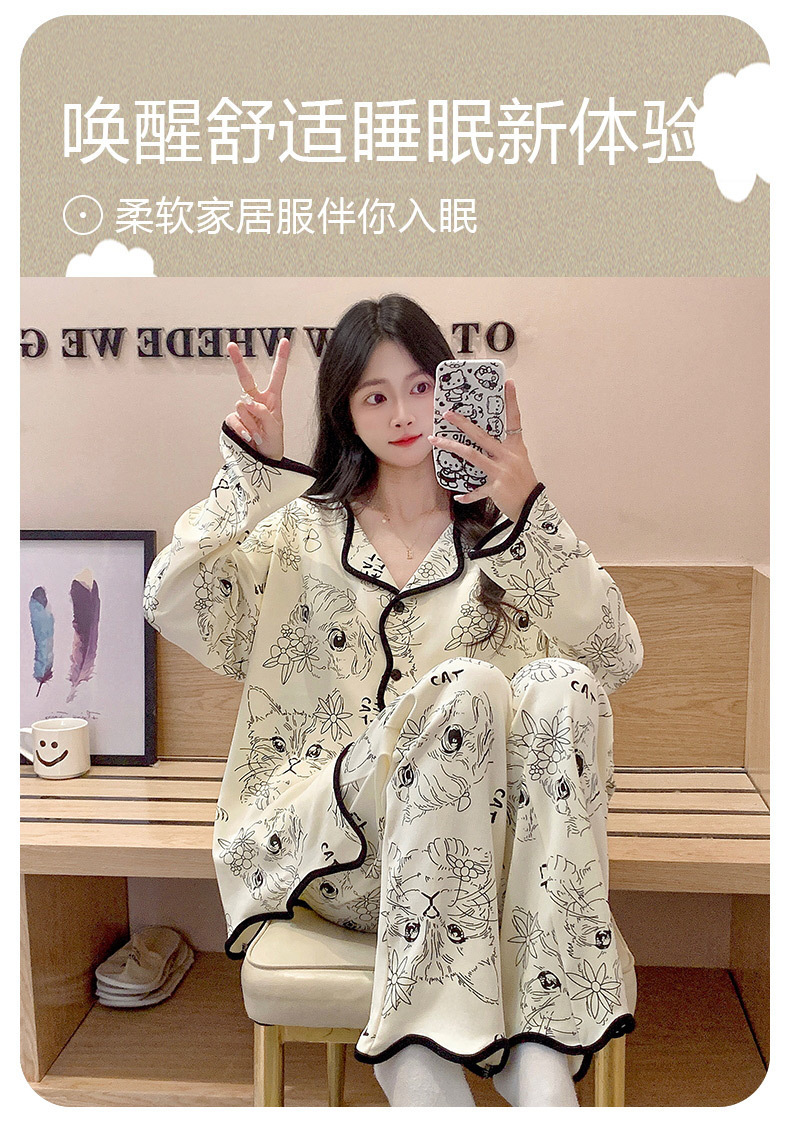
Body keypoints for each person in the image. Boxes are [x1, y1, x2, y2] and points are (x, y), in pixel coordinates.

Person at [143, 294, 643, 1107]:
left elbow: (616, 657)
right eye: (375, 395)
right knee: (465, 690)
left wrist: (528, 508)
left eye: (420, 387)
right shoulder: (299, 533)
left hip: (486, 863)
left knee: (564, 687)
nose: (404, 413)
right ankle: (419, 1047)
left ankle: (543, 1044)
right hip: (340, 854)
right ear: (345, 410)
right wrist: (249, 474)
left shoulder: (507, 541)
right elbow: (171, 600)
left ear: (451, 390)